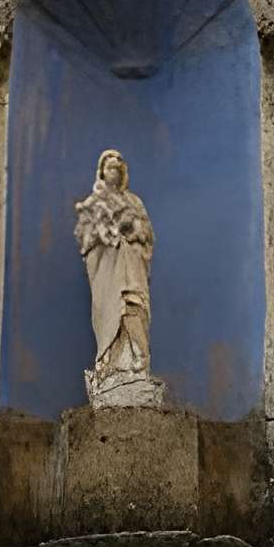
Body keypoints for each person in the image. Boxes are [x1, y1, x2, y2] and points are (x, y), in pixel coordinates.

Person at [73, 148, 155, 397]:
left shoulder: (134, 202)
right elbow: (85, 239)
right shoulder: (94, 203)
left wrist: (132, 230)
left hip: (132, 267)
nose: (115, 170)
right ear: (102, 171)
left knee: (133, 308)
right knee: (113, 310)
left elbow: (146, 236)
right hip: (108, 273)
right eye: (110, 167)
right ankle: (110, 367)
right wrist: (106, 233)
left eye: (119, 167)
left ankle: (137, 366)